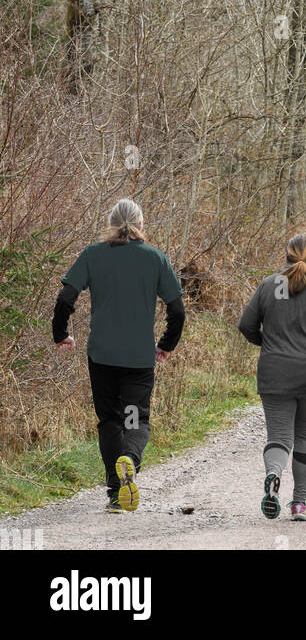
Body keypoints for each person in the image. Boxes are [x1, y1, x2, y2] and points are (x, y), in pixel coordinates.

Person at [52, 198, 185, 513]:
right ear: (140, 226)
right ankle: (131, 462)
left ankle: (115, 492)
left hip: (102, 354)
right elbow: (177, 310)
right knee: (135, 418)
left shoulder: (93, 255)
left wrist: (61, 333)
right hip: (138, 357)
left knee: (110, 419)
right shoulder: (155, 258)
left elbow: (65, 297)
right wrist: (167, 344)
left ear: (111, 225)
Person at [238, 231, 306, 522]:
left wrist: (268, 344)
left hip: (275, 371)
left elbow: (246, 325)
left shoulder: (268, 284)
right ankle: (299, 504)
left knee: (279, 437)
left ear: (286, 255)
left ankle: (273, 475)